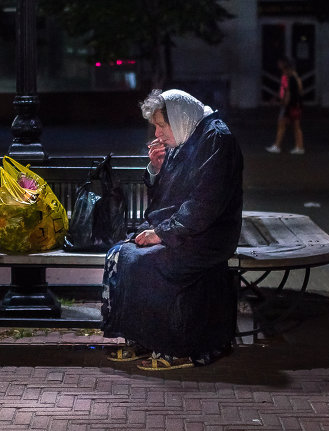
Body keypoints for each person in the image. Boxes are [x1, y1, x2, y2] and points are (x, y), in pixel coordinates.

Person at [102, 89, 244, 371]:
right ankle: (144, 340)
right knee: (124, 255)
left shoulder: (216, 138)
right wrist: (157, 168)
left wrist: (163, 233)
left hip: (208, 234)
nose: (157, 133)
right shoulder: (187, 132)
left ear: (178, 117)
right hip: (185, 229)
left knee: (150, 262)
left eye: (161, 124)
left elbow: (204, 201)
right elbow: (171, 193)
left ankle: (179, 347)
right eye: (155, 125)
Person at [266, 56, 305, 154]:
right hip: (296, 105)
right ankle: (299, 147)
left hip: (290, 106)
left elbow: (288, 92)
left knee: (282, 125)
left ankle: (277, 146)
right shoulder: (296, 77)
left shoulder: (290, 78)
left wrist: (284, 103)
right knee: (296, 126)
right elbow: (300, 91)